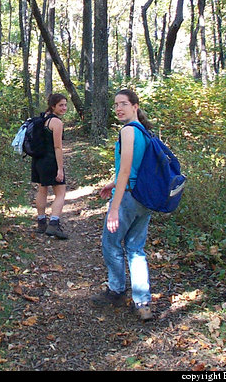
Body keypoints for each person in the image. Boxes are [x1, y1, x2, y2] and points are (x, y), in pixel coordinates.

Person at [92, 89, 154, 321]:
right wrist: (112, 183)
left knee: (111, 243)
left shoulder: (128, 130)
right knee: (136, 249)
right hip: (143, 197)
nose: (118, 108)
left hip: (127, 196)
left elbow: (127, 169)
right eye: (116, 104)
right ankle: (143, 302)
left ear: (135, 106)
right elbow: (135, 168)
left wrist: (114, 207)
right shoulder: (146, 132)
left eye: (124, 104)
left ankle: (116, 290)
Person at [32, 93, 69, 240]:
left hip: (38, 160)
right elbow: (58, 147)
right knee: (60, 193)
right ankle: (54, 224)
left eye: (65, 105)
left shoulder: (43, 119)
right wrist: (60, 169)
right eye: (61, 105)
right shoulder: (56, 122)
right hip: (50, 161)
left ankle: (41, 222)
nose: (64, 108)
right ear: (53, 106)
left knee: (42, 189)